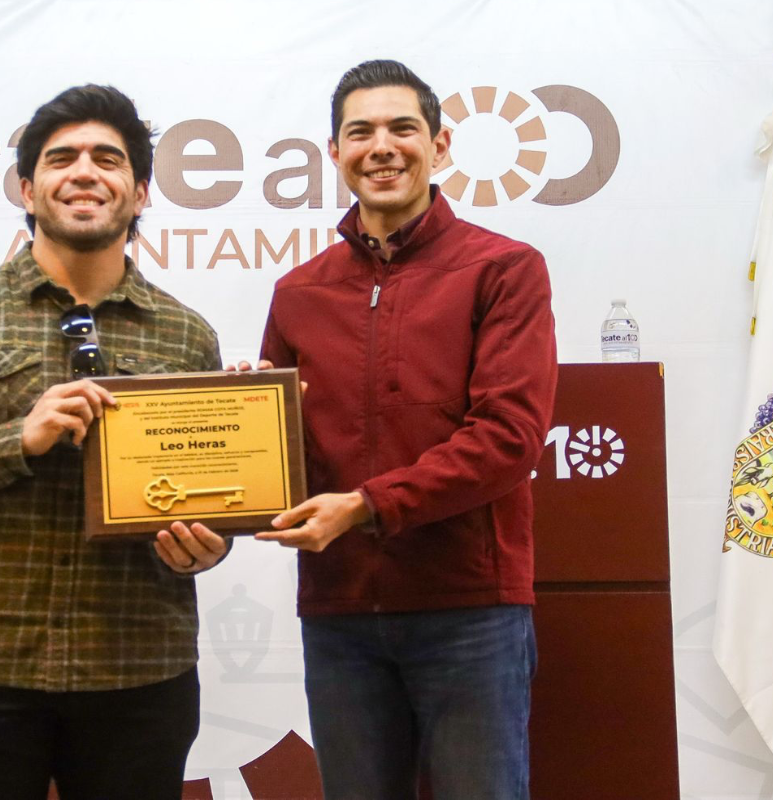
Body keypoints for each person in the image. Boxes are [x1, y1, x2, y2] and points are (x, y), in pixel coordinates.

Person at [0, 84, 228, 800]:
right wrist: (16, 440)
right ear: (28, 189)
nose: (85, 171)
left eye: (108, 159)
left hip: (138, 663)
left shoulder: (186, 333)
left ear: (141, 191)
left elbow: (206, 489)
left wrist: (209, 541)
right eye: (62, 158)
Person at [253, 60, 558, 799]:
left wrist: (365, 506)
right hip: (340, 614)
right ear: (334, 154)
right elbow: (274, 453)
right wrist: (239, 423)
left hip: (470, 610)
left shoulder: (504, 270)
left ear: (442, 146)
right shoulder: (298, 293)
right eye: (360, 132)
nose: (381, 147)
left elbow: (509, 438)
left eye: (402, 128)